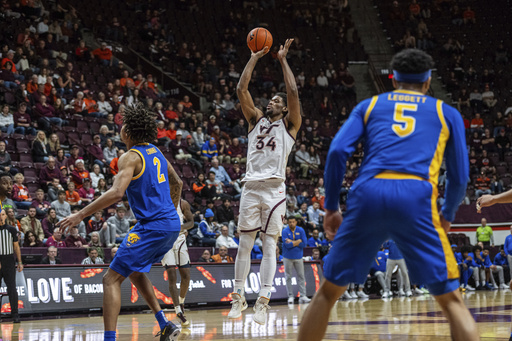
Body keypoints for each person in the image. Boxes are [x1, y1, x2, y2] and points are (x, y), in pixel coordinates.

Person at [298, 49, 477, 341]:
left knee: (328, 292)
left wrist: (331, 206)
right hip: (415, 195)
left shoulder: (370, 106)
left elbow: (337, 152)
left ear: (393, 80)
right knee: (451, 301)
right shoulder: (447, 113)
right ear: (428, 81)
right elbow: (459, 177)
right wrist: (447, 215)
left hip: (369, 191)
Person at [58, 103, 183, 341]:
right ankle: (164, 324)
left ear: (129, 131)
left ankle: (109, 339)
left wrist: (80, 214)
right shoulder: (155, 151)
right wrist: (172, 211)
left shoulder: (131, 156)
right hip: (169, 225)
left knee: (110, 279)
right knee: (134, 271)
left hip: (153, 225)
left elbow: (116, 193)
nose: (121, 128)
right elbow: (178, 183)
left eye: (123, 124)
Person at [229, 39, 301, 325]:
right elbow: (240, 89)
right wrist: (254, 57)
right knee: (245, 243)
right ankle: (237, 297)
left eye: (276, 101)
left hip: (274, 188)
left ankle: (263, 300)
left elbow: (293, 91)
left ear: (284, 110)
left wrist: (282, 60)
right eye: (271, 100)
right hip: (250, 186)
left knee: (269, 244)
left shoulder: (290, 125)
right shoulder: (255, 120)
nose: (271, 102)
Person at [161, 199, 194, 327]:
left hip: (180, 239)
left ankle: (181, 302)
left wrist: (181, 228)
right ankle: (178, 310)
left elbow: (191, 222)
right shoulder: (161, 201)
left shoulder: (183, 203)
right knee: (172, 276)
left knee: (186, 275)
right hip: (166, 241)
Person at [0, 208, 22, 323]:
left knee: (12, 289)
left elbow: (16, 247)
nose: (1, 217)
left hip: (8, 260)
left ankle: (15, 314)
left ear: (5, 216)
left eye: (2, 215)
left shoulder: (11, 230)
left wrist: (20, 262)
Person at [282, 216, 310, 304]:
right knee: (288, 277)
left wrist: (292, 242)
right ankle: (290, 296)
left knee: (301, 276)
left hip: (298, 256)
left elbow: (304, 244)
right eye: (290, 222)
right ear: (287, 222)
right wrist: (298, 241)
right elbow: (287, 245)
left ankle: (303, 296)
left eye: (293, 222)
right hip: (287, 257)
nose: (291, 223)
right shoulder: (284, 231)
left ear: (296, 222)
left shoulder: (301, 230)